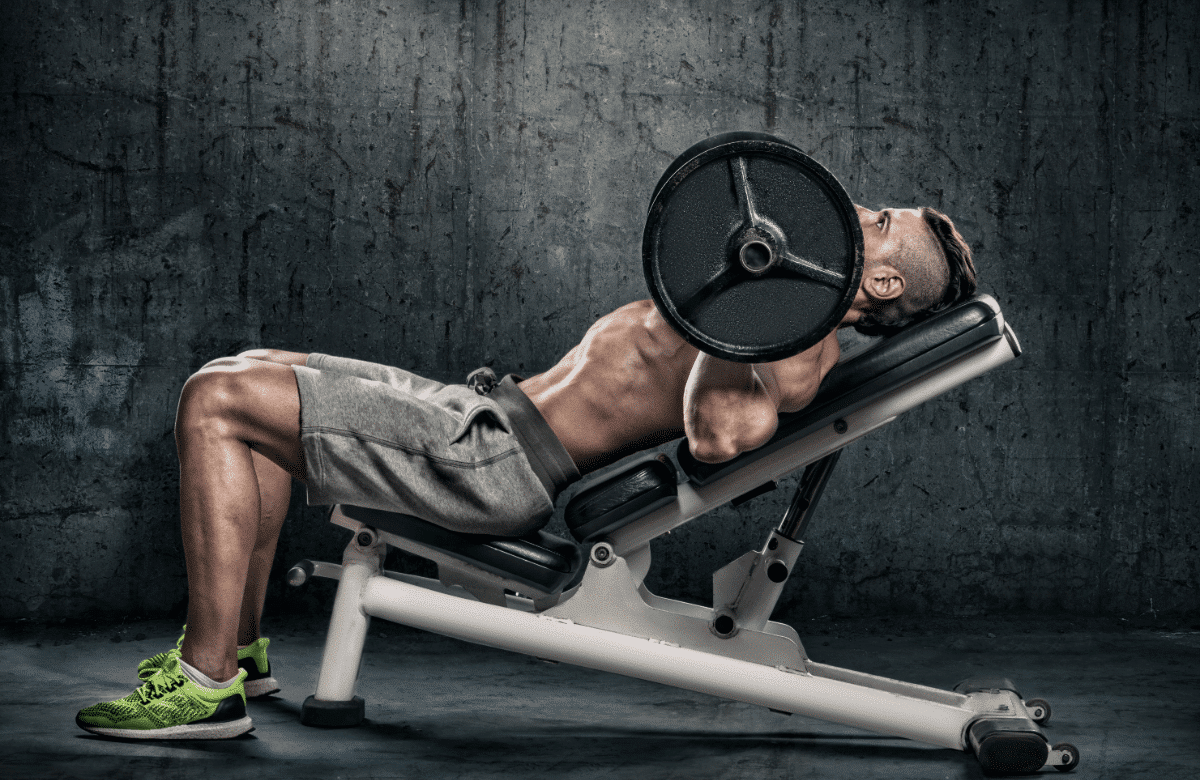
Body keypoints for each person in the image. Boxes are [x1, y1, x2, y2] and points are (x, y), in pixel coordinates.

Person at [75, 204, 975, 739]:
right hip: (477, 413)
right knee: (243, 370)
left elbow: (716, 440)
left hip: (491, 462)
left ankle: (205, 686)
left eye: (880, 221)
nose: (858, 210)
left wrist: (749, 313)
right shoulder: (784, 305)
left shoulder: (795, 343)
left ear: (886, 285)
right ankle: (239, 650)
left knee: (214, 403)